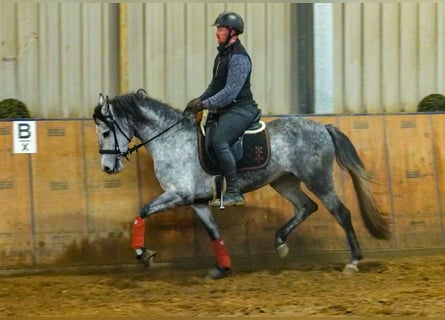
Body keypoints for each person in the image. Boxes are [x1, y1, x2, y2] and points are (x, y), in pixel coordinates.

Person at [185, 11, 260, 207]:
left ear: (233, 32)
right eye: (217, 29)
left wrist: (205, 104)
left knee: (220, 140)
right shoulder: (221, 56)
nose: (217, 33)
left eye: (220, 29)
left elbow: (230, 92)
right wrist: (199, 100)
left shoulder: (239, 58)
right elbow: (214, 86)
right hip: (226, 110)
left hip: (241, 109)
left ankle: (234, 191)